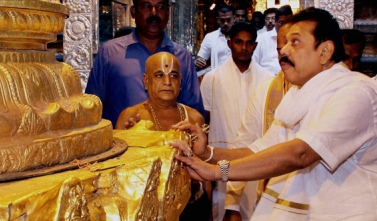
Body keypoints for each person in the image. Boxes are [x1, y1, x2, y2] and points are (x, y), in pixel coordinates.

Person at [172, 7, 377, 220]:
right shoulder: (300, 95)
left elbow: (300, 154)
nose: (284, 51)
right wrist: (208, 153)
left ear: (325, 51)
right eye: (284, 44)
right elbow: (257, 149)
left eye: (295, 42)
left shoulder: (355, 93)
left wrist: (216, 172)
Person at [116, 52, 211, 221]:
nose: (167, 82)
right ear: (146, 81)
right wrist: (133, 141)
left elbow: (205, 169)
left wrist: (209, 210)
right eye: (159, 75)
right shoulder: (131, 116)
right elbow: (118, 173)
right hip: (147, 211)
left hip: (191, 207)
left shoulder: (193, 118)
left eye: (173, 76)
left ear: (180, 81)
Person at [85, 0, 204, 126]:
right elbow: (92, 108)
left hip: (172, 143)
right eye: (146, 6)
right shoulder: (110, 53)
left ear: (168, 13)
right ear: (133, 12)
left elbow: (194, 111)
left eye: (160, 7)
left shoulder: (182, 56)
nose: (154, 12)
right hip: (122, 142)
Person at [200, 22, 274, 221]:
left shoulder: (269, 80)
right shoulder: (211, 79)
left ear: (255, 46)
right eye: (239, 42)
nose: (244, 48)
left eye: (249, 43)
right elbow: (206, 120)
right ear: (229, 43)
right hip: (223, 161)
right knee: (224, 214)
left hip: (257, 160)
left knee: (257, 213)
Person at [223, 22, 294, 221]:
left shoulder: (329, 94)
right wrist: (231, 202)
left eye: (293, 46)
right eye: (280, 50)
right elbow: (245, 147)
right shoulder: (265, 92)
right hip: (269, 201)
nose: (285, 55)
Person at [253, 5, 293, 75]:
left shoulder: (294, 39)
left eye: (289, 23)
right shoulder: (261, 38)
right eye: (282, 22)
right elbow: (254, 63)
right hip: (267, 80)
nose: (286, 26)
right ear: (276, 21)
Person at [195, 5, 235, 71]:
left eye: (228, 20)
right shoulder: (210, 37)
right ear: (217, 20)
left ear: (234, 18)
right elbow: (201, 58)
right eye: (222, 20)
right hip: (218, 78)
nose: (225, 23)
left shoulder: (241, 36)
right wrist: (198, 62)